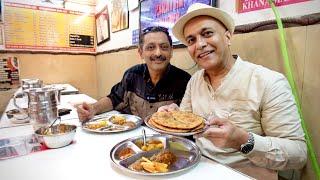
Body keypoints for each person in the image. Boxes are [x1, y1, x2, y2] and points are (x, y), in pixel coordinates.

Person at [158, 3, 307, 179]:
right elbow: (187, 126)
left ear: (228, 36)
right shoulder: (194, 81)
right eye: (191, 40)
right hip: (198, 170)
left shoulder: (269, 82)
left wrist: (243, 141)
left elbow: (298, 154)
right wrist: (173, 117)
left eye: (207, 34)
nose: (200, 44)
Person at [77, 26, 191, 122]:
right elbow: (114, 98)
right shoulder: (132, 75)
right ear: (141, 53)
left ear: (171, 51)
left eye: (164, 47)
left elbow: (188, 120)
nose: (158, 53)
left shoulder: (185, 81)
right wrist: (93, 109)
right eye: (151, 47)